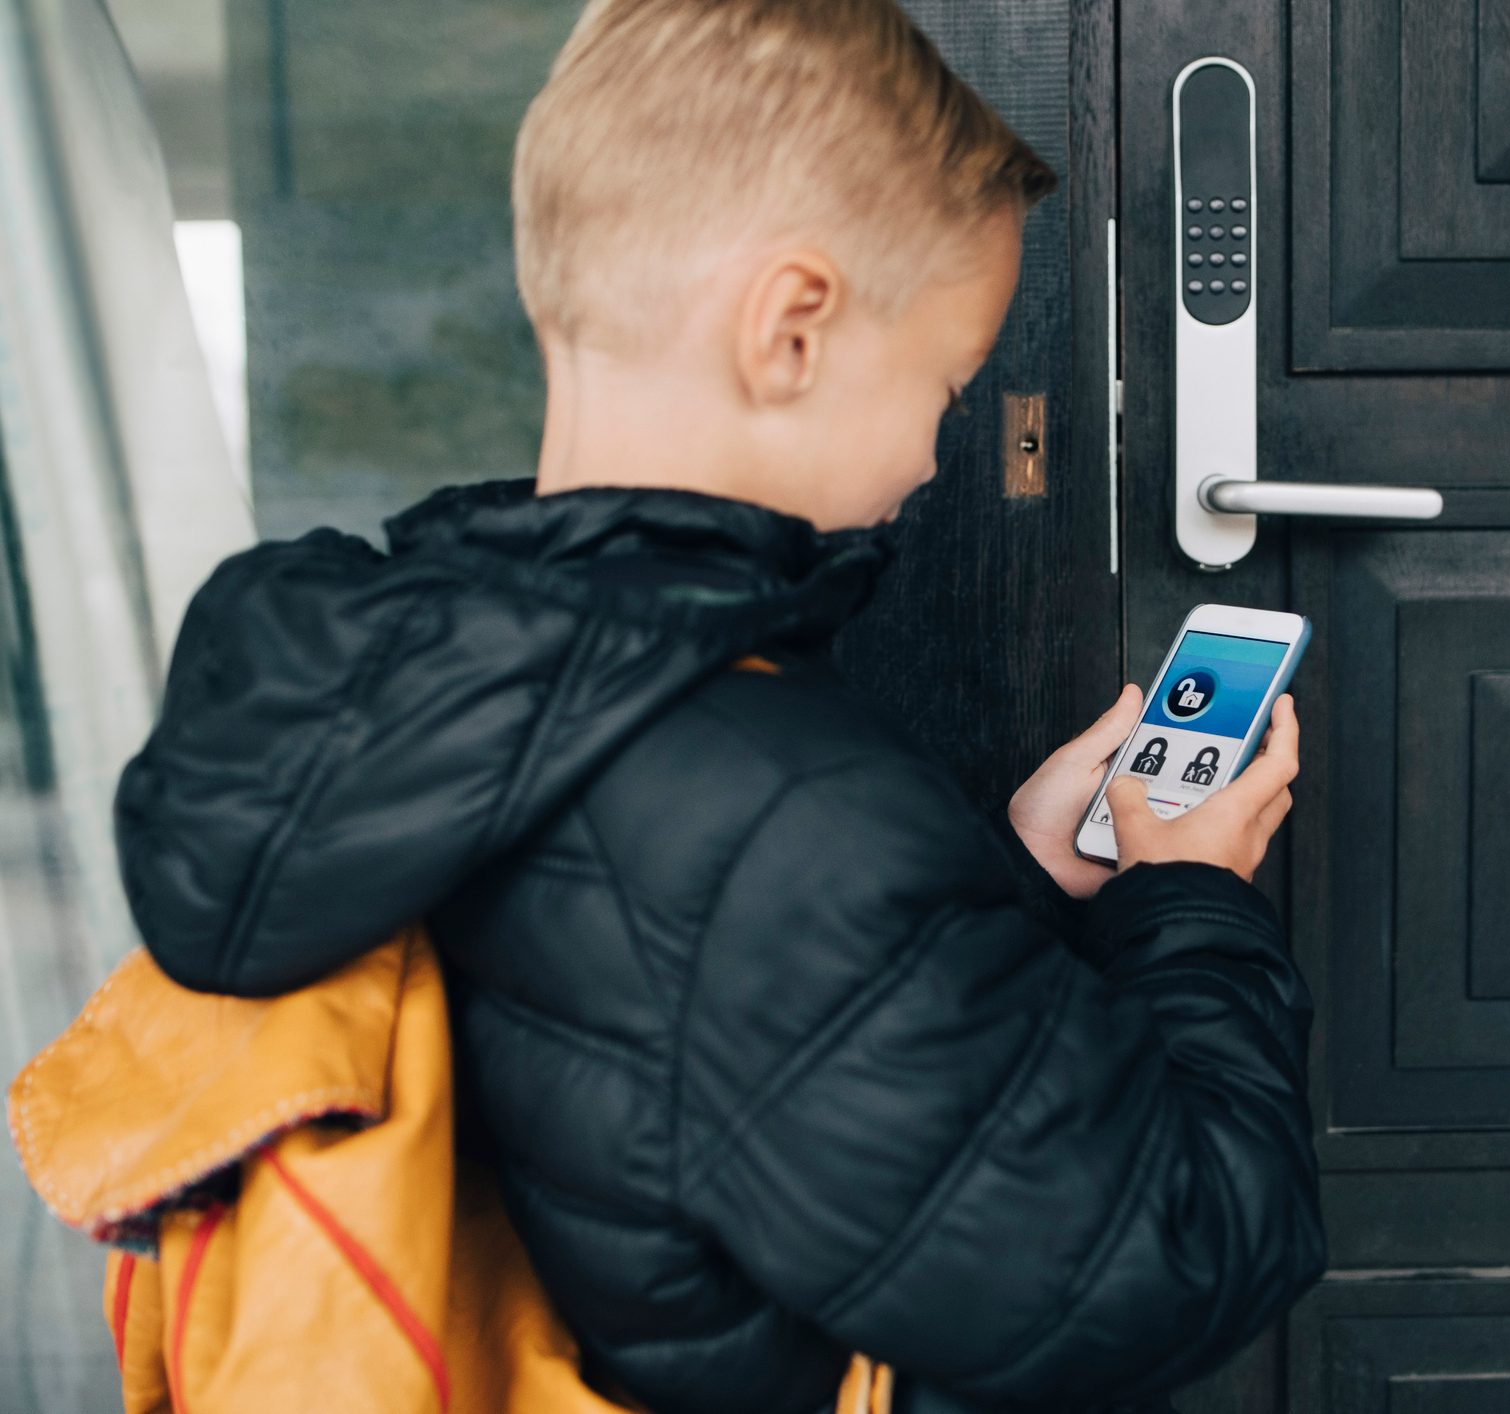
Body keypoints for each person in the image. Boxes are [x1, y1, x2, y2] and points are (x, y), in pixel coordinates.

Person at [109, 1, 1327, 1411]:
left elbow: (701, 1008)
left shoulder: (436, 689)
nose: (940, 453)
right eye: (942, 382)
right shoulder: (773, 806)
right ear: (791, 327)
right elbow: (1181, 1251)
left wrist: (1002, 868)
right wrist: (1186, 902)